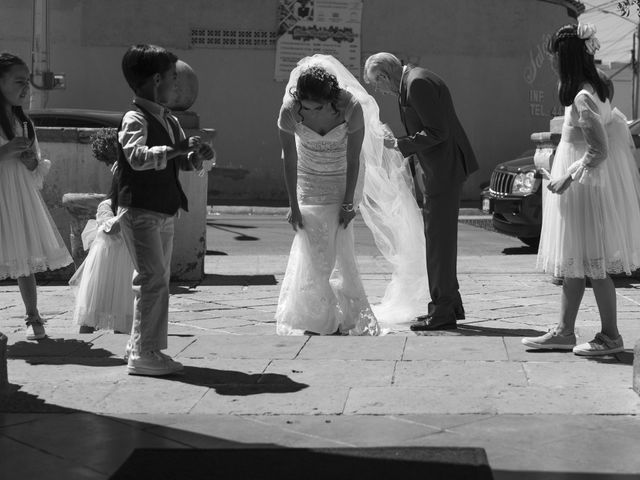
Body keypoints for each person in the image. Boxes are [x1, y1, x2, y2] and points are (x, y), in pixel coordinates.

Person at [275, 55, 428, 335]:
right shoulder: (289, 110)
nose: (309, 112)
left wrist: (349, 202)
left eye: (318, 107)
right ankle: (314, 315)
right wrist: (292, 205)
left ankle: (344, 314)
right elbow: (289, 159)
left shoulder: (351, 107)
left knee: (340, 250)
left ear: (331, 99)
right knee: (312, 249)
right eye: (305, 107)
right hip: (307, 181)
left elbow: (354, 158)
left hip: (340, 179)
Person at [521, 24, 640, 356]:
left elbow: (598, 149)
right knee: (576, 262)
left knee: (593, 264)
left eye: (555, 57)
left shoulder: (582, 97)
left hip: (585, 192)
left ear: (567, 58)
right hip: (584, 191)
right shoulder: (596, 89)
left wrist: (567, 177)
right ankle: (564, 331)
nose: (551, 63)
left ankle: (611, 336)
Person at [117, 44, 214, 375]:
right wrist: (177, 149)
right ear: (156, 80)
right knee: (153, 280)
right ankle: (145, 353)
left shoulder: (169, 119)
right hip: (140, 208)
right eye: (174, 77)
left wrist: (194, 156)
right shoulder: (135, 117)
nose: (178, 84)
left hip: (163, 209)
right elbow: (137, 157)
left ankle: (140, 345)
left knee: (153, 280)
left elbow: (178, 160)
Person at [363, 52, 478, 331]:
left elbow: (437, 132)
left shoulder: (417, 83)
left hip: (443, 170)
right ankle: (448, 305)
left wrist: (400, 145)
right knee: (439, 242)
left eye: (377, 84)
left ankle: (443, 310)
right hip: (439, 169)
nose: (380, 90)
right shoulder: (415, 79)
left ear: (385, 75)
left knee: (439, 243)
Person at [0, 53, 73, 340]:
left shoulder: (23, 123)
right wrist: (5, 152)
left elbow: (37, 169)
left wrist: (31, 160)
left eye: (27, 82)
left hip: (17, 198)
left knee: (25, 258)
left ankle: (33, 316)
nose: (26, 88)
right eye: (19, 81)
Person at [69, 174, 134, 335]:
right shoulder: (107, 205)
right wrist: (131, 210)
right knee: (92, 310)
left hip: (127, 263)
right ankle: (83, 343)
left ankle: (122, 344)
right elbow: (110, 229)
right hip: (104, 264)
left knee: (123, 312)